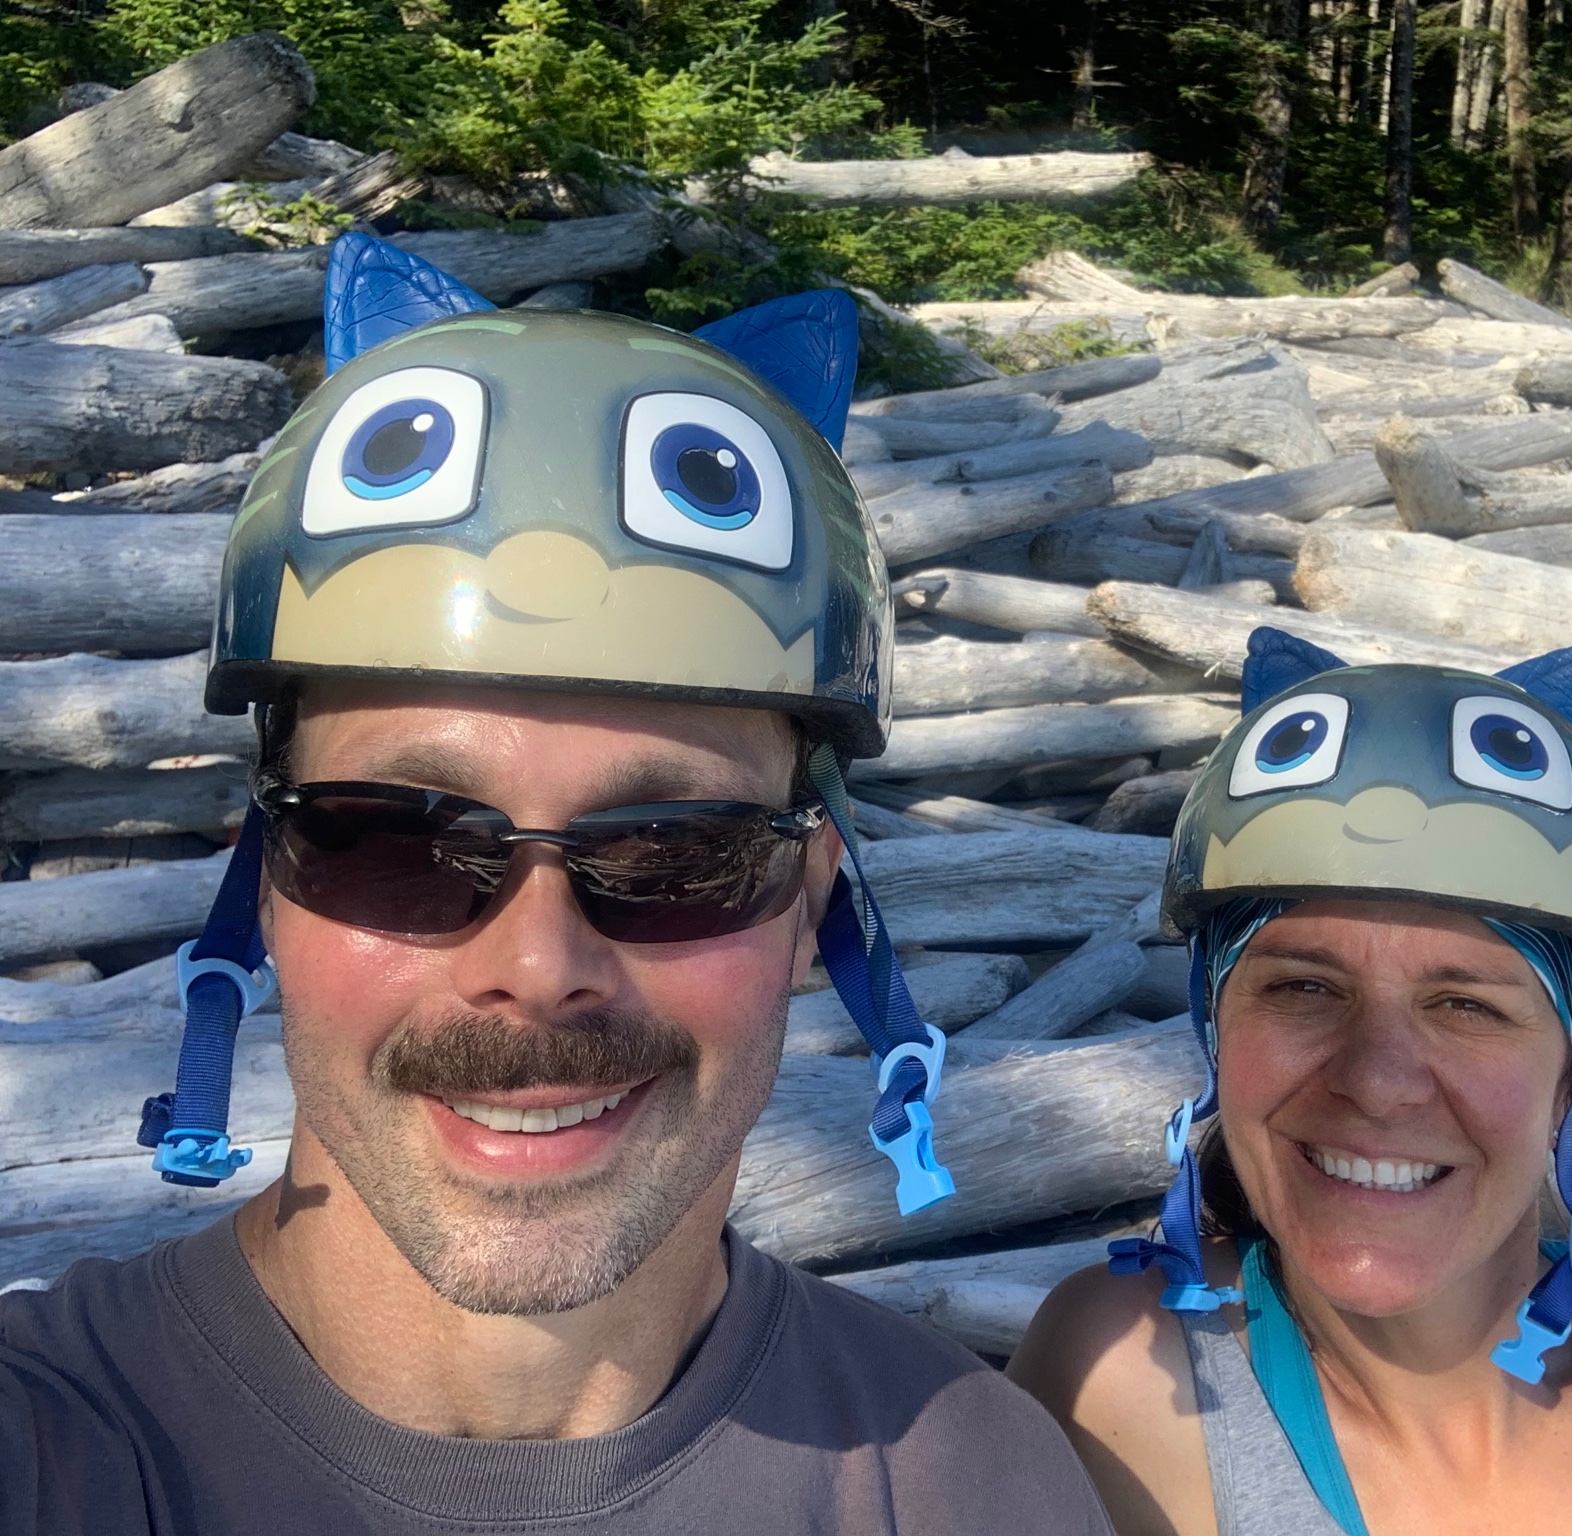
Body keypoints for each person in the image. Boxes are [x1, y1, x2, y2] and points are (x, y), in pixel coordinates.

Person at [0, 233, 1113, 1534]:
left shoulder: (969, 1485)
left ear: (814, 906)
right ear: (265, 892)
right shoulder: (46, 1451)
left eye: (672, 854)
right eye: (397, 842)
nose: (536, 966)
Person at [1008, 627, 1572, 1536]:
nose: (1380, 1083)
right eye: (1305, 988)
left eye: (1466, 1006)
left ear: (1571, 1068)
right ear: (1215, 1028)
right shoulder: (1125, 1383)